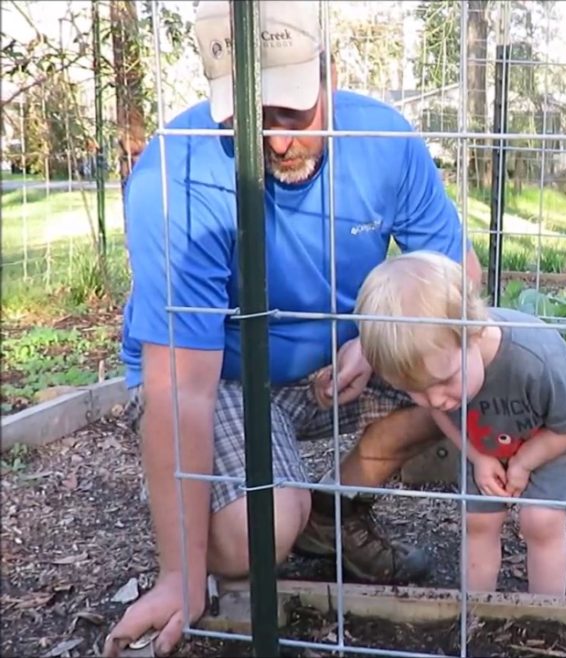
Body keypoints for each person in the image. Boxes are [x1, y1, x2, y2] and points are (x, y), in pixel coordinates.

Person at [102, 2, 480, 656]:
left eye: (293, 112)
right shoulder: (174, 180)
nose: (276, 141)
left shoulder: (385, 142)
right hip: (222, 379)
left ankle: (333, 514)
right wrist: (180, 576)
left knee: (471, 365)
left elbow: (461, 278)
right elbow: (177, 391)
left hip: (338, 371)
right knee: (258, 533)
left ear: (327, 74)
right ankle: (276, 507)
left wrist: (375, 337)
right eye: (251, 118)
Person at [353, 250, 566, 596]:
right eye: (417, 392)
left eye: (444, 381)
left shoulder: (537, 361)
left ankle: (548, 611)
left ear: (474, 333)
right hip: (486, 438)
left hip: (551, 438)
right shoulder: (442, 375)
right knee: (478, 520)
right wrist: (478, 457)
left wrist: (525, 462)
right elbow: (443, 413)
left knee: (539, 521)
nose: (435, 400)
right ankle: (476, 609)